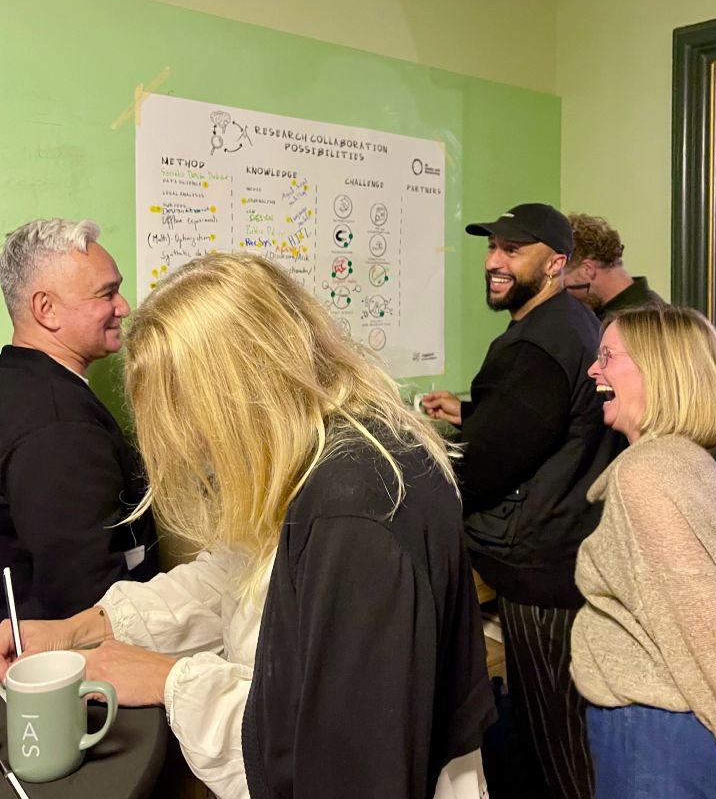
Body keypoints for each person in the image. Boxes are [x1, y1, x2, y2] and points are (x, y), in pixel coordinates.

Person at [1, 252, 496, 799]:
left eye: (183, 412)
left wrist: (169, 680)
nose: (189, 444)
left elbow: (324, 756)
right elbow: (238, 574)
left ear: (236, 392)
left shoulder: (352, 511)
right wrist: (88, 626)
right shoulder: (326, 449)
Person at [423, 203, 620, 799]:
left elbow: (485, 464)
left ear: (556, 263)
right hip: (564, 548)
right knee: (556, 727)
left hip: (539, 571)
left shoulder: (537, 344)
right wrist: (475, 418)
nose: (494, 262)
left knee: (554, 736)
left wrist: (419, 471)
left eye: (513, 250)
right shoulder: (574, 322)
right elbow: (534, 427)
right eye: (492, 248)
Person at [572, 305, 716, 797]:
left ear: (660, 372)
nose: (594, 368)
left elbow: (711, 632)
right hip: (671, 733)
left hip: (659, 741)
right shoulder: (686, 461)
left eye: (608, 355)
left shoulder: (647, 475)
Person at [0, 218, 158, 619]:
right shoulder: (58, 427)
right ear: (46, 309)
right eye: (107, 294)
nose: (123, 307)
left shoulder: (18, 381)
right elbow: (85, 595)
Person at [563, 212, 662, 318]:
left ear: (587, 270)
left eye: (564, 285)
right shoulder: (650, 310)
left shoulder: (643, 323)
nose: (565, 295)